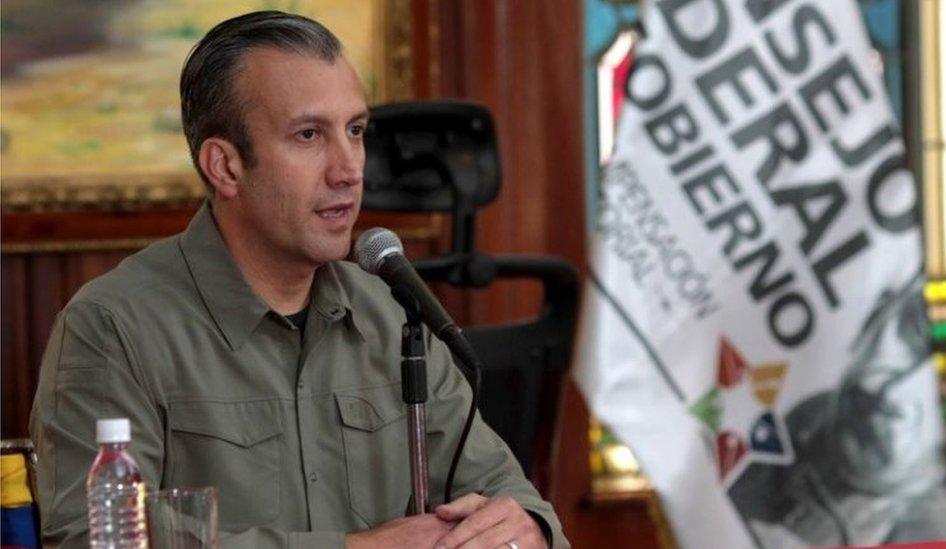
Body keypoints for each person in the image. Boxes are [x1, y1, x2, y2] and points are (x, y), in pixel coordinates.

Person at [29, 11, 567, 549]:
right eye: (309, 135)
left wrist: (526, 528)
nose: (349, 169)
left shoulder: (390, 313)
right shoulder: (112, 326)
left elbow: (511, 496)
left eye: (355, 131)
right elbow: (88, 540)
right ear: (225, 166)